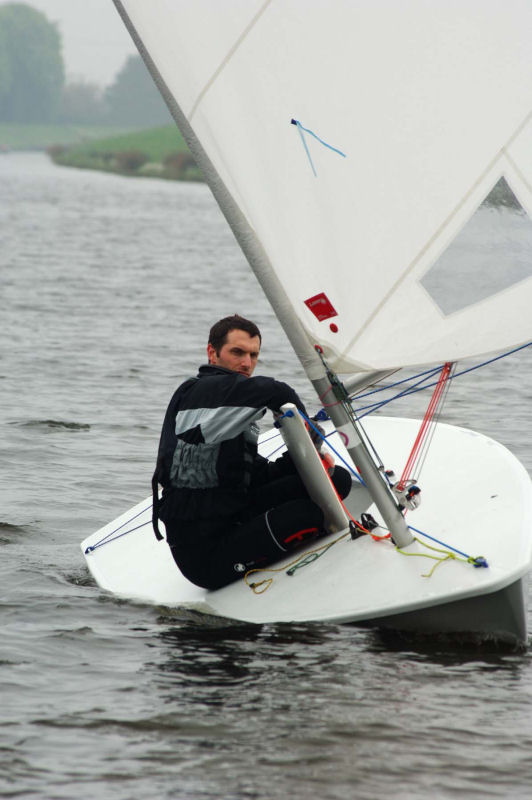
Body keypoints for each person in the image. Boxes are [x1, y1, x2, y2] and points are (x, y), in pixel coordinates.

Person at [152, 314, 351, 590]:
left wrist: (300, 461)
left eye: (253, 355)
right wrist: (312, 435)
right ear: (212, 353)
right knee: (307, 515)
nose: (246, 363)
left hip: (235, 514)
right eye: (237, 352)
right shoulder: (201, 393)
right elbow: (275, 390)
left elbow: (255, 474)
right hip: (202, 554)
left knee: (337, 479)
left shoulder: (231, 408)